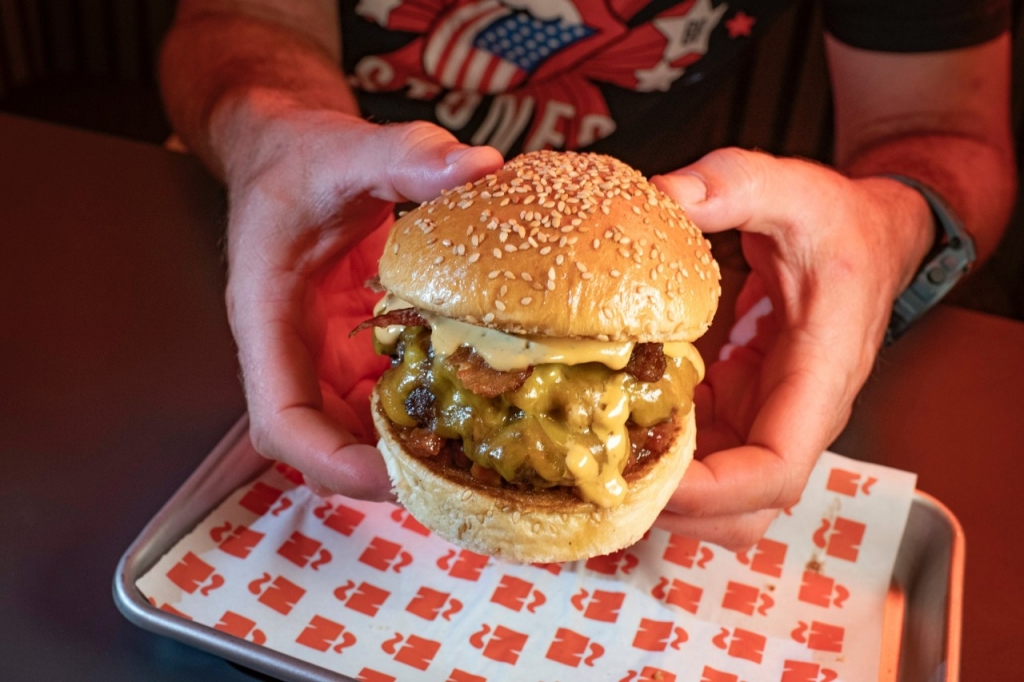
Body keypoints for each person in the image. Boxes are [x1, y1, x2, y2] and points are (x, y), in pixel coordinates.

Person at [159, 0, 1015, 549]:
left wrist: (892, 226)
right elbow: (239, 21)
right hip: (337, 234)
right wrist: (269, 134)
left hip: (669, 252)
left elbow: (938, 120)